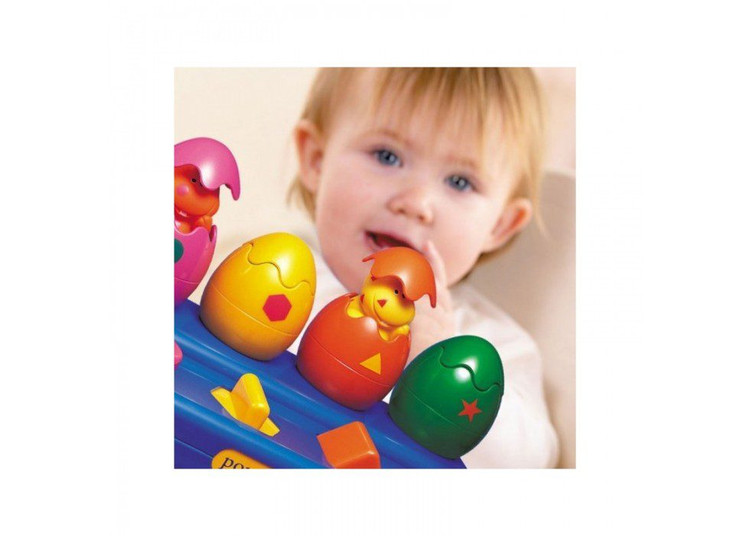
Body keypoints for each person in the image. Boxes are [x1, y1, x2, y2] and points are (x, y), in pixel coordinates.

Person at [287, 68, 559, 468]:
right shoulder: (276, 269)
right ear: (316, 160)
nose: (416, 203)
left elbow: (529, 461)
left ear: (500, 225)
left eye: (460, 182)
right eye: (387, 156)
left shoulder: (494, 349)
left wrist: (440, 369)